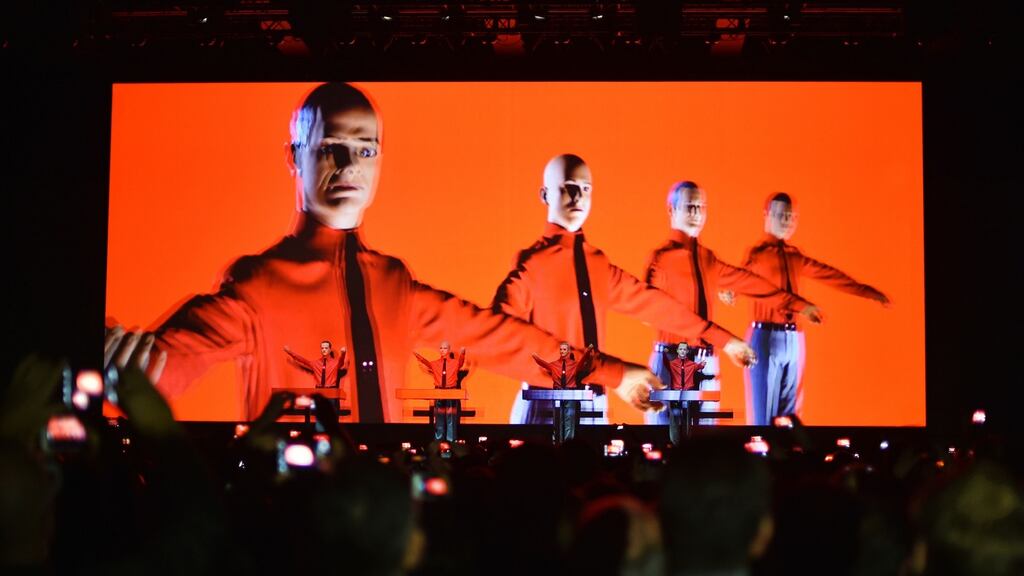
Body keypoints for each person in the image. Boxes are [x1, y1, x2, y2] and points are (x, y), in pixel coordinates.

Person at [110, 83, 663, 422]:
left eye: (366, 149)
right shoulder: (260, 285)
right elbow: (169, 364)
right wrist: (126, 370)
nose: (350, 166)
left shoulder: (393, 282)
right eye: (332, 147)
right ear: (295, 156)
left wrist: (615, 374)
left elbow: (503, 341)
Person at [493, 156, 756, 426]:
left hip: (594, 403)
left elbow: (655, 305)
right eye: (568, 187)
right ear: (545, 195)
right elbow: (500, 332)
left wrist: (724, 340)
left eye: (585, 188)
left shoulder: (597, 263)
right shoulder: (534, 263)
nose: (578, 196)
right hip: (547, 405)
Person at [644, 181, 820, 426]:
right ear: (672, 210)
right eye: (689, 206)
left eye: (701, 206)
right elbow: (649, 311)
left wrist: (799, 305)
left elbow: (750, 283)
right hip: (672, 358)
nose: (696, 212)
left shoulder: (708, 259)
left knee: (706, 440)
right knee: (665, 438)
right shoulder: (662, 259)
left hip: (705, 364)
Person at [738, 192, 889, 425]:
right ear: (767, 215)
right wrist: (730, 291)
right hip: (765, 337)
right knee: (763, 419)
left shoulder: (796, 256)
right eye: (781, 215)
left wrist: (866, 291)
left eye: (791, 217)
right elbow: (740, 279)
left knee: (791, 418)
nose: (787, 221)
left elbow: (830, 275)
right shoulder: (758, 256)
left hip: (794, 339)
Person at [531, 342, 594, 442]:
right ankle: (558, 442)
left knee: (569, 420)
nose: (562, 351)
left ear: (568, 351)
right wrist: (535, 357)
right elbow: (543, 364)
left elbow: (583, 361)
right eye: (561, 349)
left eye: (564, 349)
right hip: (557, 393)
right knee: (558, 420)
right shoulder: (554, 365)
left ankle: (568, 444)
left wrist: (588, 352)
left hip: (571, 393)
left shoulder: (574, 365)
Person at [413, 342, 465, 441]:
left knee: (451, 418)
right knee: (439, 418)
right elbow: (427, 363)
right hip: (439, 392)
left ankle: (451, 441)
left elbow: (461, 363)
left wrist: (462, 353)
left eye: (445, 348)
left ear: (448, 350)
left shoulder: (454, 363)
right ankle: (438, 440)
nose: (442, 350)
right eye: (441, 348)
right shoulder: (435, 363)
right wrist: (418, 356)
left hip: (451, 392)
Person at [659, 342, 706, 445]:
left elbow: (700, 367)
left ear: (687, 351)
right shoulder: (672, 364)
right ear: (677, 351)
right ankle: (675, 441)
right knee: (674, 418)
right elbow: (665, 362)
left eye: (684, 349)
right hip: (675, 394)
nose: (682, 351)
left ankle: (687, 440)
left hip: (687, 394)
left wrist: (703, 364)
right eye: (680, 349)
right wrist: (663, 352)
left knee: (687, 417)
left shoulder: (692, 364)